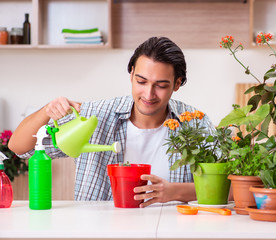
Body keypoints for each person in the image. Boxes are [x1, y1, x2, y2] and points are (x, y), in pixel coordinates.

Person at [8, 36, 215, 208]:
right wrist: (47, 110)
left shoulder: (195, 122)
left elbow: (234, 189)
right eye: (141, 81)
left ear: (177, 84)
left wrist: (176, 191)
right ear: (131, 74)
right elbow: (18, 148)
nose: (149, 94)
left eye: (160, 85)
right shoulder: (94, 116)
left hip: (173, 231)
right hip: (101, 233)